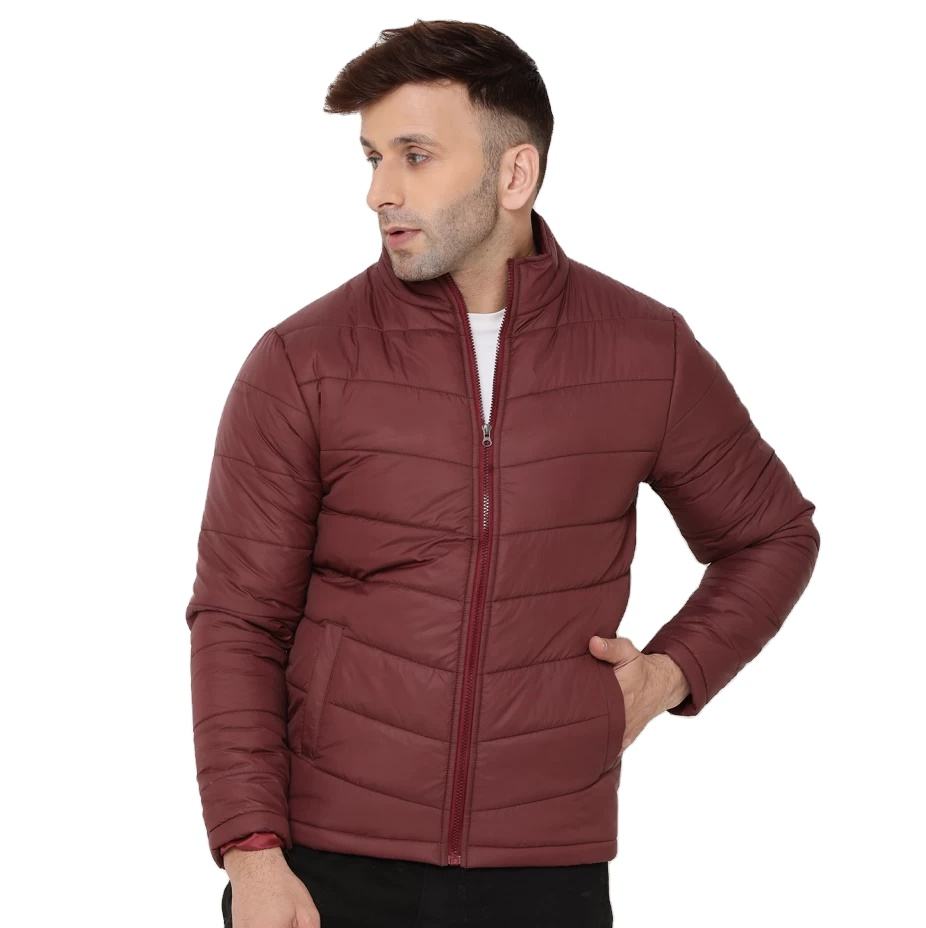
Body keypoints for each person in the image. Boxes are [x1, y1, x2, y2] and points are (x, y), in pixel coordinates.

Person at [186, 19, 821, 928]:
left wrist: (669, 674)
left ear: (515, 174)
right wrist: (251, 854)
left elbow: (772, 535)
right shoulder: (303, 361)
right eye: (372, 158)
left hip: (547, 871)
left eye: (414, 156)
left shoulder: (646, 352)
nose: (379, 191)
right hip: (330, 865)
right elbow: (237, 620)